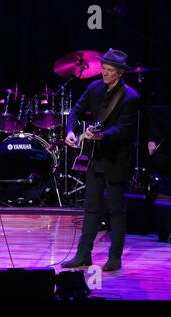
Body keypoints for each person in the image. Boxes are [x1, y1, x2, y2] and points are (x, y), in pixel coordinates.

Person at [61, 48, 139, 272]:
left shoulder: (130, 97)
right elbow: (75, 111)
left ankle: (115, 257)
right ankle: (83, 255)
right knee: (91, 207)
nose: (104, 73)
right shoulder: (94, 88)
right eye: (103, 69)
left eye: (109, 71)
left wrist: (101, 135)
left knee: (115, 209)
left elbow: (122, 130)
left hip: (116, 159)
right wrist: (70, 131)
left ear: (120, 73)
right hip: (95, 158)